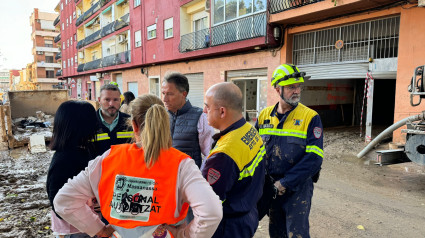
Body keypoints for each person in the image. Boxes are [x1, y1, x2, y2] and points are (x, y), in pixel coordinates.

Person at [53, 94, 223, 238]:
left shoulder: (108, 159)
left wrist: (98, 229)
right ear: (165, 123)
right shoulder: (181, 164)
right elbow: (211, 212)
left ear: (133, 125)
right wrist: (184, 234)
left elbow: (64, 201)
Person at [256, 64, 323, 238]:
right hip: (271, 187)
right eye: (291, 87)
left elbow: (314, 159)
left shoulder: (310, 117)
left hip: (298, 188)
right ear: (278, 89)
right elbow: (253, 152)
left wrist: (285, 183)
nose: (297, 91)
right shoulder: (264, 116)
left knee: (297, 234)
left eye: (298, 86)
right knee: (276, 232)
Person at [201, 82, 266, 238]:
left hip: (228, 227)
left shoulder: (224, 154)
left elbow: (207, 204)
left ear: (222, 111)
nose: (204, 111)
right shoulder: (249, 129)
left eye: (207, 107)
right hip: (248, 214)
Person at [46, 100, 99, 238]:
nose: (97, 126)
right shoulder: (64, 159)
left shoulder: (85, 150)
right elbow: (58, 203)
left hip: (89, 225)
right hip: (75, 230)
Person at [161, 72, 214, 168]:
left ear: (184, 94)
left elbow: (209, 154)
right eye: (163, 93)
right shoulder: (160, 116)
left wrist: (200, 177)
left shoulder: (201, 117)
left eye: (170, 94)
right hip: (165, 176)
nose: (165, 99)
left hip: (189, 179)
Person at [94, 83, 133, 155]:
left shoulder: (130, 122)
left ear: (120, 100)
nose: (111, 104)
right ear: (99, 100)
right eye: (107, 100)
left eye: (115, 100)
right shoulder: (89, 122)